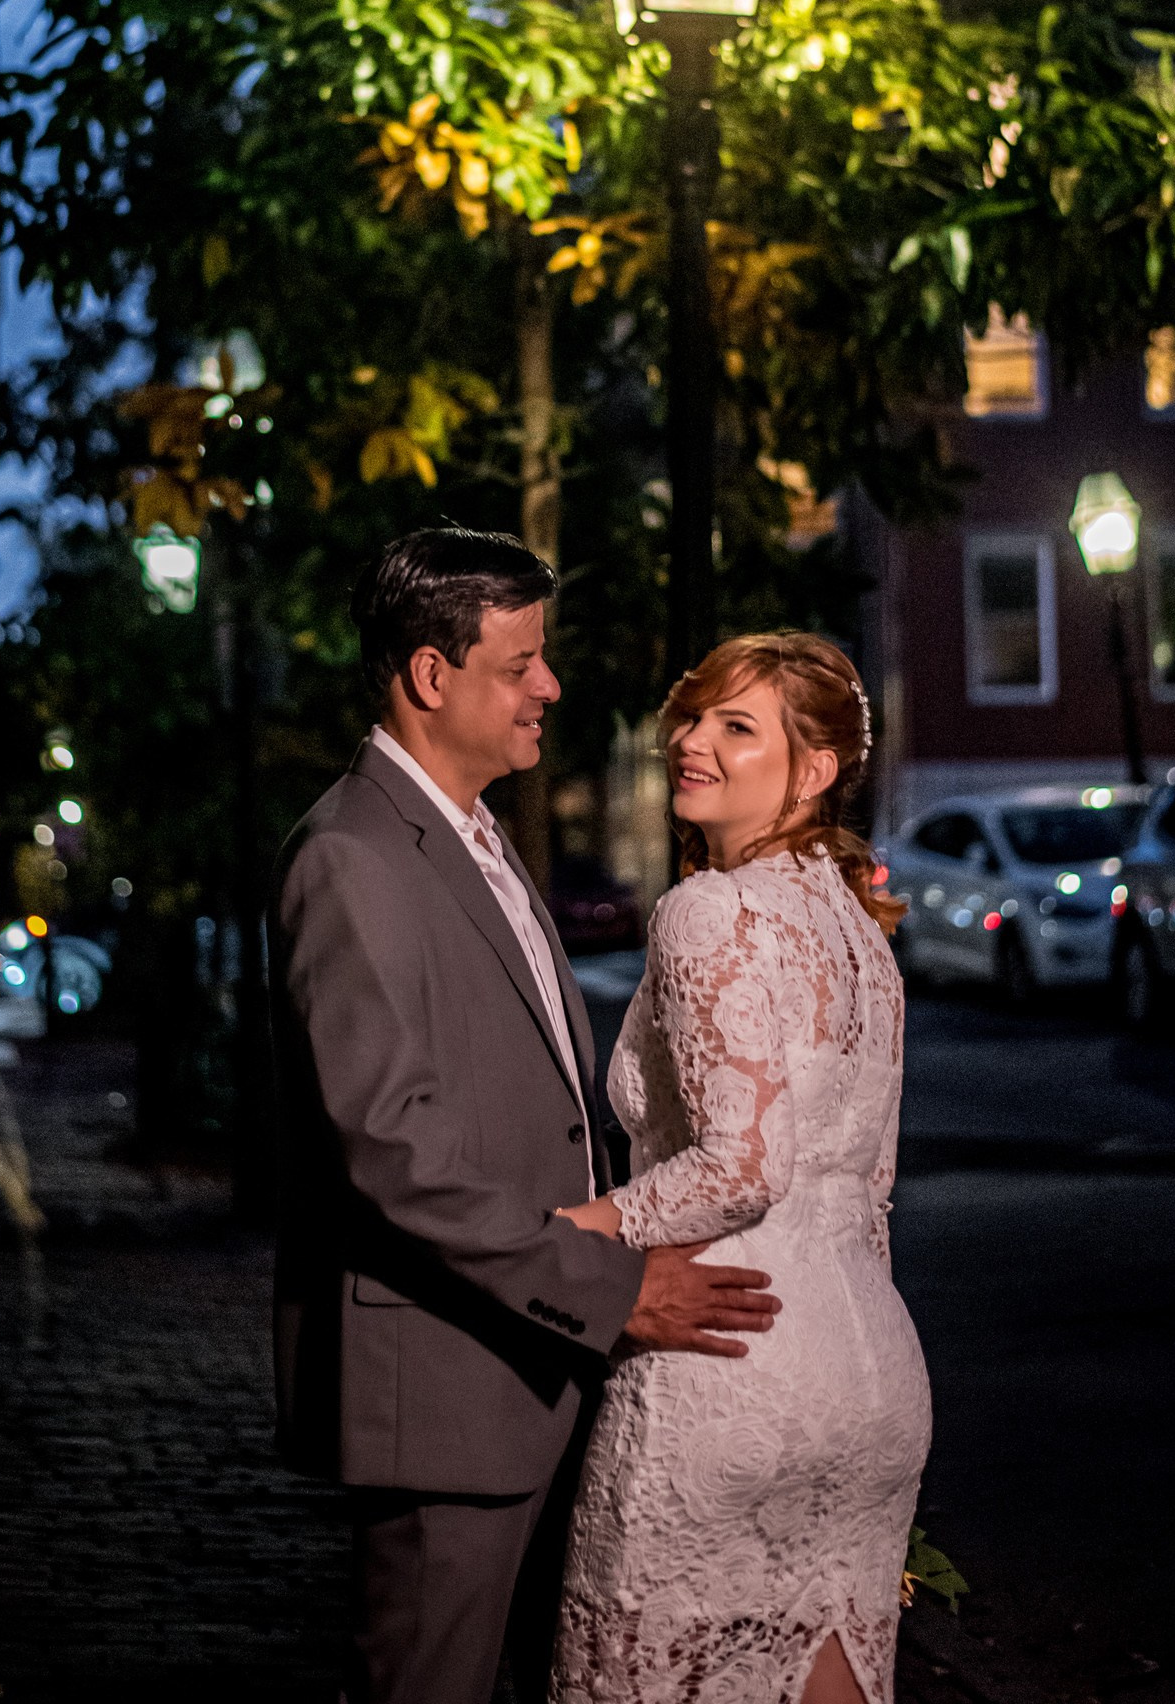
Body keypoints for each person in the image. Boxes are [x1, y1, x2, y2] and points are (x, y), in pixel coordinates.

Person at [268, 528, 780, 1704]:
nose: (549, 685)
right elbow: (391, 1154)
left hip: (533, 1371)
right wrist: (613, 1287)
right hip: (447, 1383)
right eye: (520, 664)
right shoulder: (350, 856)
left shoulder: (476, 835)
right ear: (429, 674)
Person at [552, 633, 931, 1704]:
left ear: (813, 769)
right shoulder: (860, 931)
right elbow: (870, 1193)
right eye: (691, 716)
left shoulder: (707, 910)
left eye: (735, 724)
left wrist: (573, 1230)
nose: (690, 741)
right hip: (872, 1379)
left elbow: (741, 1166)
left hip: (729, 1361)